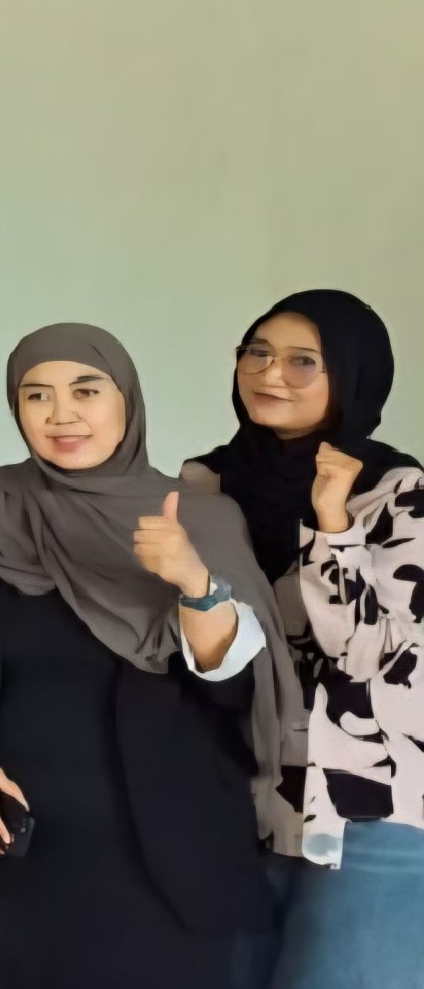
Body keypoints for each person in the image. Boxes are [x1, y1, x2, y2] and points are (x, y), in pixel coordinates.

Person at [0, 323, 297, 989]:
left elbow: (233, 691)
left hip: (170, 845)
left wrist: (194, 581)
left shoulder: (202, 518)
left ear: (126, 400)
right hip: (16, 831)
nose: (62, 414)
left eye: (86, 390)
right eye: (37, 395)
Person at [185, 291, 423, 989]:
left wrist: (332, 523)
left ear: (351, 375)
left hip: (366, 802)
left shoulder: (397, 490)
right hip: (230, 794)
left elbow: (368, 654)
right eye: (256, 352)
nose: (270, 373)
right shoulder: (204, 483)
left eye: (302, 361)